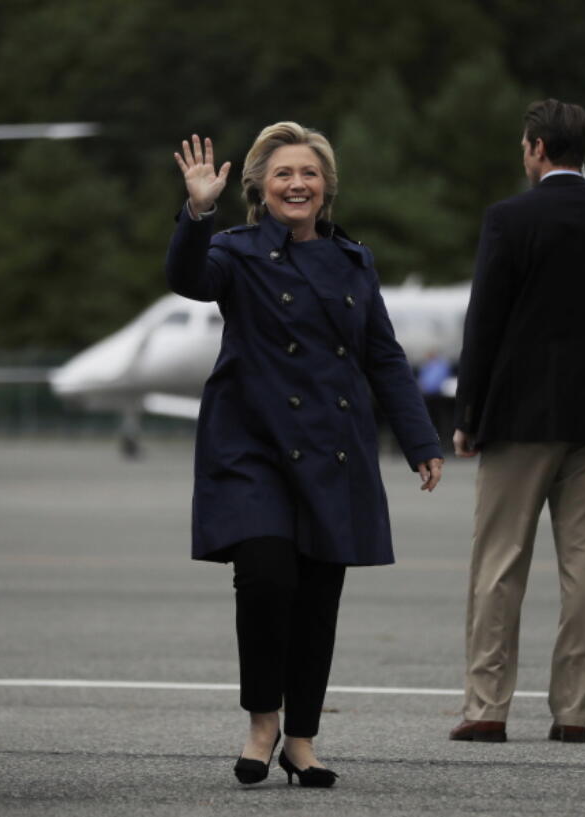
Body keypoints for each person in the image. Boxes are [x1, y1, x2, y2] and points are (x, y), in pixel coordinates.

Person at [167, 125, 444, 787]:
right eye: (285, 173)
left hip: (332, 448)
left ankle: (302, 737)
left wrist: (420, 440)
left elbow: (383, 355)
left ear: (326, 188)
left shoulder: (354, 261)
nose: (298, 184)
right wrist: (197, 211)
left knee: (318, 596)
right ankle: (263, 721)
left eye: (310, 174)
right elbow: (185, 278)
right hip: (253, 445)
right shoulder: (233, 252)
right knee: (266, 577)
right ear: (260, 186)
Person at [448, 99, 585, 745]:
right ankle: (574, 714)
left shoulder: (509, 218)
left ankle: (487, 707)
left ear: (537, 149)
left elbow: (485, 322)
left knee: (499, 565)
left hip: (517, 417)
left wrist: (467, 413)